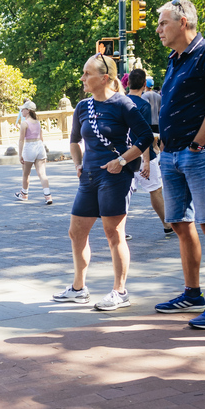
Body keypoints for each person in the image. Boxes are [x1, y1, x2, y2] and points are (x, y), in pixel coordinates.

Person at [154, 0, 205, 329]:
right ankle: (192, 293)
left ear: (184, 21)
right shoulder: (174, 60)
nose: (158, 29)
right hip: (171, 154)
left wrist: (196, 144)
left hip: (201, 152)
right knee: (179, 224)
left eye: (163, 23)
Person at [52, 54, 153, 311]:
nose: (82, 78)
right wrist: (77, 163)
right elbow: (74, 141)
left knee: (113, 234)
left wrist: (121, 160)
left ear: (104, 77)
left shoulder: (123, 104)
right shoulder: (82, 107)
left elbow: (145, 137)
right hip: (88, 177)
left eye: (87, 74)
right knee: (76, 233)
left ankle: (120, 291)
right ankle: (78, 288)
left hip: (115, 177)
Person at [125, 69, 173, 236]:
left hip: (123, 153)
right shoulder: (142, 105)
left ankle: (119, 229)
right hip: (141, 154)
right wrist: (146, 160)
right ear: (144, 84)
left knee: (124, 194)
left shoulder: (119, 101)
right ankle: (167, 224)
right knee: (155, 190)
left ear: (128, 83)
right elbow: (143, 135)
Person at [15, 100, 53, 204]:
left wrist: (20, 154)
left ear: (28, 111)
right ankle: (48, 196)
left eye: (23, 109)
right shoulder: (37, 122)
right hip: (39, 146)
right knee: (42, 174)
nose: (21, 111)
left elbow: (21, 140)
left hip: (29, 147)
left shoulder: (24, 123)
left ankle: (24, 194)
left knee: (26, 174)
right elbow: (41, 138)